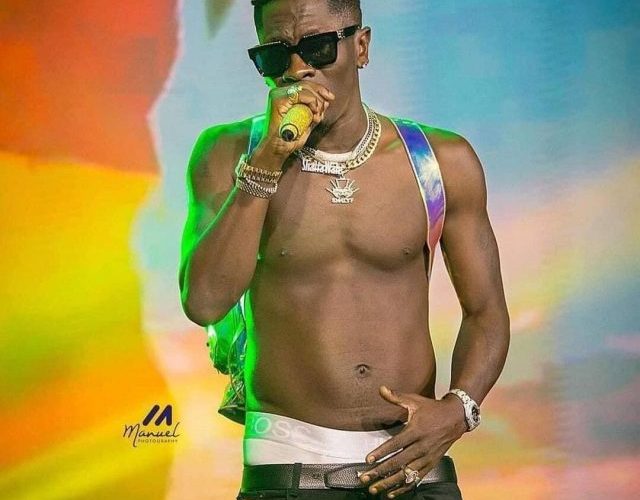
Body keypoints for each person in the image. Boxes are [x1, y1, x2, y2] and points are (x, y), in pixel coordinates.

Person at [178, 0, 510, 498]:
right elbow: (204, 301)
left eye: (316, 47)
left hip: (415, 469)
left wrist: (459, 409)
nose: (297, 69)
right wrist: (267, 159)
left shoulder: (441, 161)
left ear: (361, 46)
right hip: (290, 468)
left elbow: (486, 312)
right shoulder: (229, 153)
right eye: (275, 55)